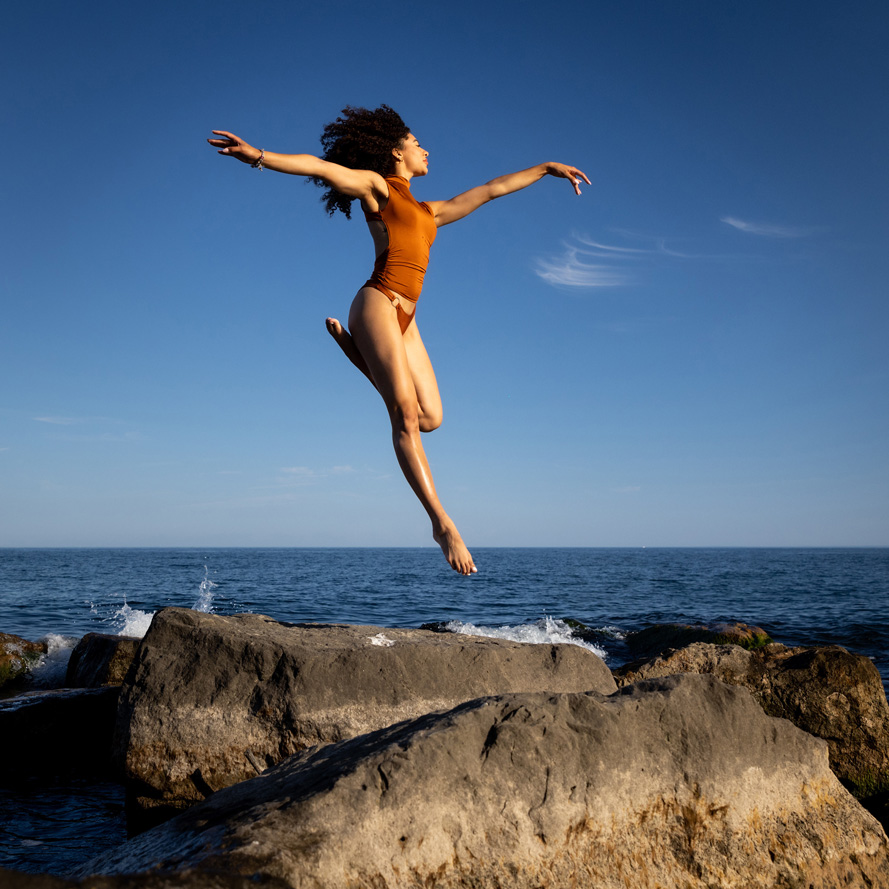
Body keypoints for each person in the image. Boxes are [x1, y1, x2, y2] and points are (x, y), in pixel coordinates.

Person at [208, 105, 589, 576]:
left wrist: (546, 168)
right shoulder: (377, 187)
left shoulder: (430, 211)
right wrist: (258, 156)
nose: (425, 148)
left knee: (431, 418)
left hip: (408, 319)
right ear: (397, 151)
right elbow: (321, 167)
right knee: (404, 415)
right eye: (417, 142)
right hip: (379, 303)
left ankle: (359, 357)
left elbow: (491, 190)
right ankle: (441, 523)